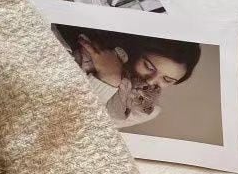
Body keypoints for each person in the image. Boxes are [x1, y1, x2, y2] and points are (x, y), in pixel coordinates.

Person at [55, 25, 201, 127]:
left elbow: (74, 123)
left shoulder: (143, 111)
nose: (151, 81)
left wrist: (109, 79)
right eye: (149, 67)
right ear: (136, 51)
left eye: (167, 80)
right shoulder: (89, 48)